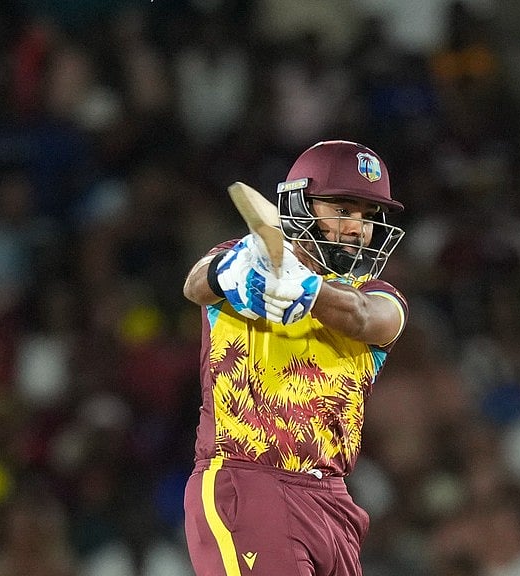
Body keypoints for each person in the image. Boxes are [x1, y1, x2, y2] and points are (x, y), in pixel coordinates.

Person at [181, 140, 408, 576]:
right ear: (300, 204)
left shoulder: (378, 295)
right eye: (343, 209)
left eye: (366, 215)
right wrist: (226, 272)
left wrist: (306, 291)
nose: (357, 227)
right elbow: (195, 286)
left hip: (334, 500)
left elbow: (362, 317)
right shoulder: (245, 260)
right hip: (248, 480)